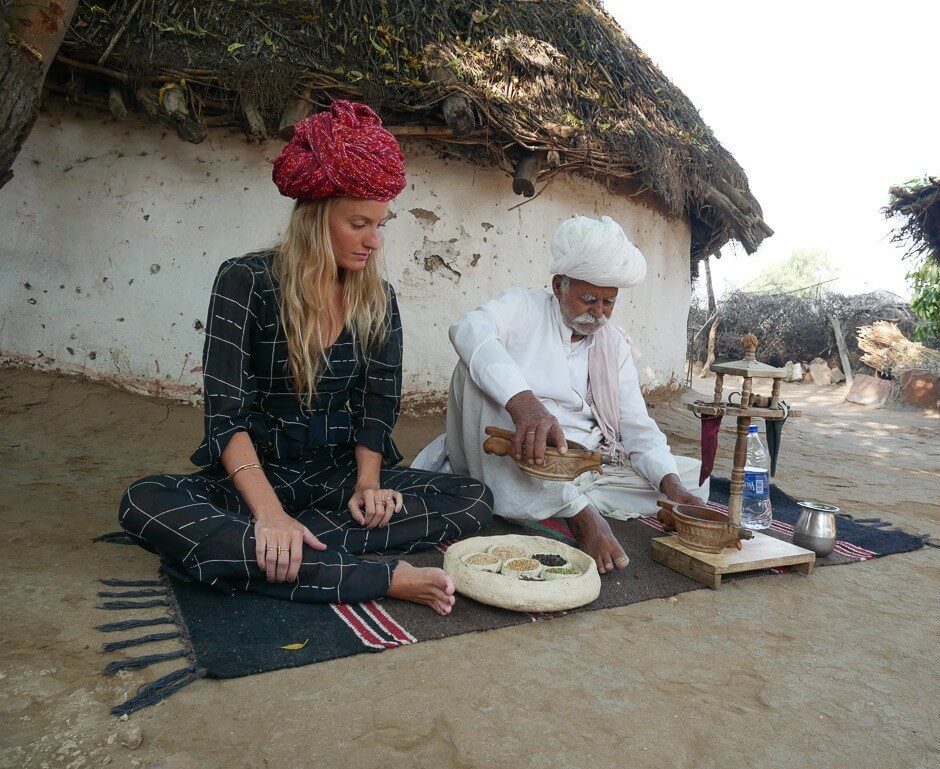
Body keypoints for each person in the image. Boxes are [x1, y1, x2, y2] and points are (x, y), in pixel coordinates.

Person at [119, 100, 492, 614]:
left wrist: (368, 486)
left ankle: (268, 555)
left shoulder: (378, 301)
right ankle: (372, 575)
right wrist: (268, 513)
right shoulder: (244, 281)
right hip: (257, 478)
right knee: (143, 502)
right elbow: (224, 416)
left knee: (474, 499)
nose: (374, 241)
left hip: (337, 482)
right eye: (359, 223)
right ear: (316, 220)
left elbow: (377, 408)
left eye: (381, 224)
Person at [415, 215, 706, 574]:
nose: (598, 313)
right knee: (474, 373)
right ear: (558, 285)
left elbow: (635, 425)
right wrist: (525, 405)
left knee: (690, 478)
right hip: (513, 448)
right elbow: (468, 328)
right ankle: (578, 513)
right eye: (587, 299)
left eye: (608, 302)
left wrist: (673, 489)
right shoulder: (523, 308)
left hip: (579, 462)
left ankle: (550, 499)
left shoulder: (613, 345)